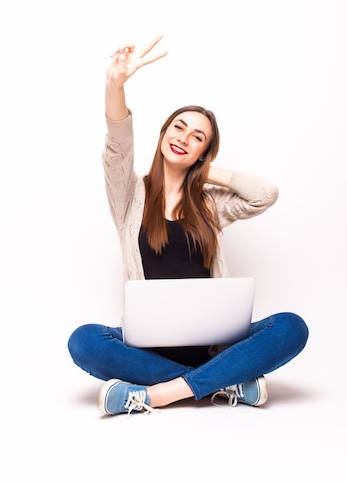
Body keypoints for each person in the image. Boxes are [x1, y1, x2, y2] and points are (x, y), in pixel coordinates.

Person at [68, 33, 309, 416]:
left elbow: (265, 193)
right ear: (163, 133)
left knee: (292, 326)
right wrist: (115, 84)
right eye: (178, 127)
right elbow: (117, 149)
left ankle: (159, 394)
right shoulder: (130, 195)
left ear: (204, 153)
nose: (184, 138)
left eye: (198, 138)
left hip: (214, 343)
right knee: (83, 341)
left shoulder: (211, 206)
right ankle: (225, 382)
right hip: (147, 345)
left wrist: (205, 170)